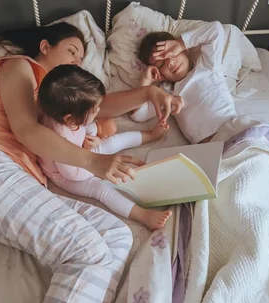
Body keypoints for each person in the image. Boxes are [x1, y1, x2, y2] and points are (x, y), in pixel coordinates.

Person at [0, 22, 183, 303]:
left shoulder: (65, 99)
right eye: (73, 51)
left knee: (116, 237)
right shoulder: (20, 67)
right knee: (87, 250)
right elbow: (25, 131)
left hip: (21, 184)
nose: (76, 60)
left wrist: (150, 92)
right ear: (46, 46)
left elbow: (98, 106)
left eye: (81, 58)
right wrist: (93, 162)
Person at [38, 65, 172, 231]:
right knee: (100, 189)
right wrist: (98, 166)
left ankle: (151, 135)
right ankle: (142, 215)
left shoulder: (63, 115)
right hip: (68, 173)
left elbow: (80, 130)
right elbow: (74, 174)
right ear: (70, 120)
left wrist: (93, 133)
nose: (99, 111)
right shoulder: (59, 138)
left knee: (114, 141)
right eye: (95, 110)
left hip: (82, 151)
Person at [130, 21, 226, 125]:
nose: (170, 62)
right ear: (160, 73)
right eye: (161, 64)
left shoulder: (207, 66)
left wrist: (181, 43)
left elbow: (216, 29)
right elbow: (138, 115)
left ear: (185, 50)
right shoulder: (167, 93)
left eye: (171, 54)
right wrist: (146, 80)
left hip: (231, 125)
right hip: (211, 141)